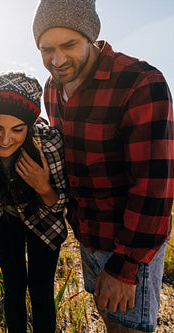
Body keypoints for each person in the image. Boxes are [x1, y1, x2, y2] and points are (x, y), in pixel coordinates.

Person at [32, 0, 174, 332]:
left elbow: (155, 187)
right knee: (110, 322)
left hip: (129, 243)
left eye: (69, 45)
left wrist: (126, 267)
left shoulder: (139, 82)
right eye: (46, 49)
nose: (57, 59)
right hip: (89, 234)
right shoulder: (53, 88)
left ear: (91, 37)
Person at [0, 71, 68, 332]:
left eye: (17, 130)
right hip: (6, 219)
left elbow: (60, 204)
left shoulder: (48, 144)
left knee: (41, 289)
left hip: (44, 220)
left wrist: (43, 187)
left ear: (29, 126)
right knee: (13, 287)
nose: (6, 139)